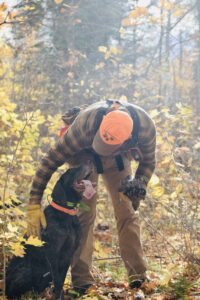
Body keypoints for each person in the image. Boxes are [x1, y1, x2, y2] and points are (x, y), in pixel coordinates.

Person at [27, 99, 156, 295]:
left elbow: (148, 162)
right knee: (83, 215)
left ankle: (138, 277)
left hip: (120, 159)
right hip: (84, 157)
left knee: (127, 213)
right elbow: (49, 162)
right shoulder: (83, 127)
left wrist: (137, 189)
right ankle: (82, 282)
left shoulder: (144, 126)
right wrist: (34, 203)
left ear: (129, 136)